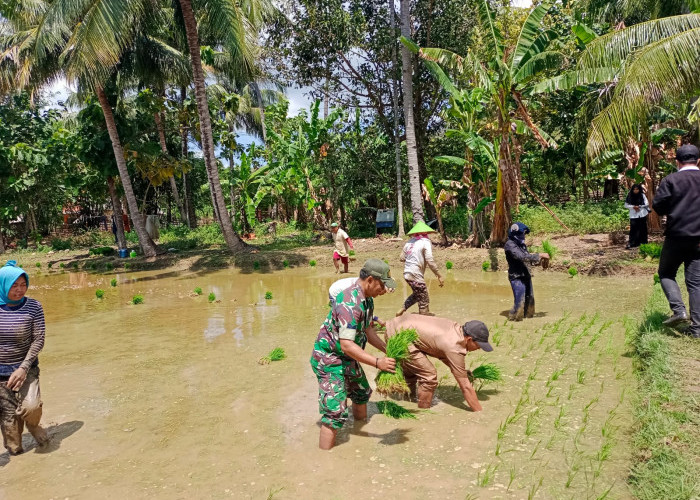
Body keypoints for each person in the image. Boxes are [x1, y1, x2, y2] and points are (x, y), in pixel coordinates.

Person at [310, 259, 397, 450]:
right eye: (382, 286)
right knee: (334, 414)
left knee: (361, 393)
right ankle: (324, 462)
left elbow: (368, 330)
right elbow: (347, 345)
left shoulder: (367, 300)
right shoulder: (349, 302)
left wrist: (386, 350)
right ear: (371, 280)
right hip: (329, 358)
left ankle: (360, 431)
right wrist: (377, 362)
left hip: (347, 356)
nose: (383, 291)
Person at [384, 314, 492, 410]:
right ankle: (423, 411)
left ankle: (407, 399)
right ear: (468, 339)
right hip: (399, 336)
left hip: (397, 325)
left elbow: (443, 354)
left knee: (415, 368)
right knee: (429, 375)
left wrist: (462, 372)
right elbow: (466, 387)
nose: (479, 348)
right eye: (478, 345)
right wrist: (479, 413)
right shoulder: (454, 346)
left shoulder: (455, 329)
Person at [0, 261, 49, 455]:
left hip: (26, 368)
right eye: (14, 285)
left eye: (23, 284)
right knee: (14, 446)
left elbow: (38, 339)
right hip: (0, 375)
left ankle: (33, 425)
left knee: (31, 407)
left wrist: (24, 367)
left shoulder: (34, 307)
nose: (20, 290)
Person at [652, 144, 700, 338]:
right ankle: (697, 330)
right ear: (698, 161)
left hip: (677, 236)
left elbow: (659, 206)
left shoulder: (671, 180)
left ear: (677, 162)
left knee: (666, 273)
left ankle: (679, 310)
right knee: (696, 283)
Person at [396, 221, 444, 317]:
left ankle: (402, 309)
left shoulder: (409, 242)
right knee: (424, 300)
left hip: (407, 273)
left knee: (418, 294)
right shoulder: (425, 242)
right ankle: (424, 318)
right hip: (415, 273)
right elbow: (430, 260)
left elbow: (401, 258)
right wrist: (439, 275)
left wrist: (412, 257)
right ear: (426, 233)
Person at [504, 223, 549, 321]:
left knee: (530, 302)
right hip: (516, 277)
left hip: (526, 274)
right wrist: (539, 255)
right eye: (522, 234)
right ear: (515, 233)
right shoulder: (510, 244)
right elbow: (521, 257)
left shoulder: (521, 245)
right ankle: (514, 320)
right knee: (520, 302)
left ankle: (528, 320)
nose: (523, 236)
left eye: (524, 234)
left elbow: (527, 258)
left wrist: (539, 261)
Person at [624, 183, 650, 249]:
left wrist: (639, 206)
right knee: (633, 229)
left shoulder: (642, 195)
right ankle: (632, 243)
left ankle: (643, 242)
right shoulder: (629, 196)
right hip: (633, 215)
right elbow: (626, 205)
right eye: (634, 189)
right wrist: (633, 207)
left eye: (637, 189)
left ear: (639, 189)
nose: (636, 191)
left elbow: (646, 203)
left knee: (643, 229)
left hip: (642, 214)